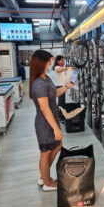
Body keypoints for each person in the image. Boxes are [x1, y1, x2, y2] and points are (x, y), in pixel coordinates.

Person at [29, 50, 74, 192]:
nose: (50, 64)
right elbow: (44, 108)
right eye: (48, 61)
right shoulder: (39, 84)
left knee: (56, 146)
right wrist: (56, 128)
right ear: (40, 63)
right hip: (45, 123)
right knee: (46, 151)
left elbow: (53, 94)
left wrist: (67, 86)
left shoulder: (45, 78)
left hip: (50, 120)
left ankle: (44, 176)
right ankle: (47, 183)